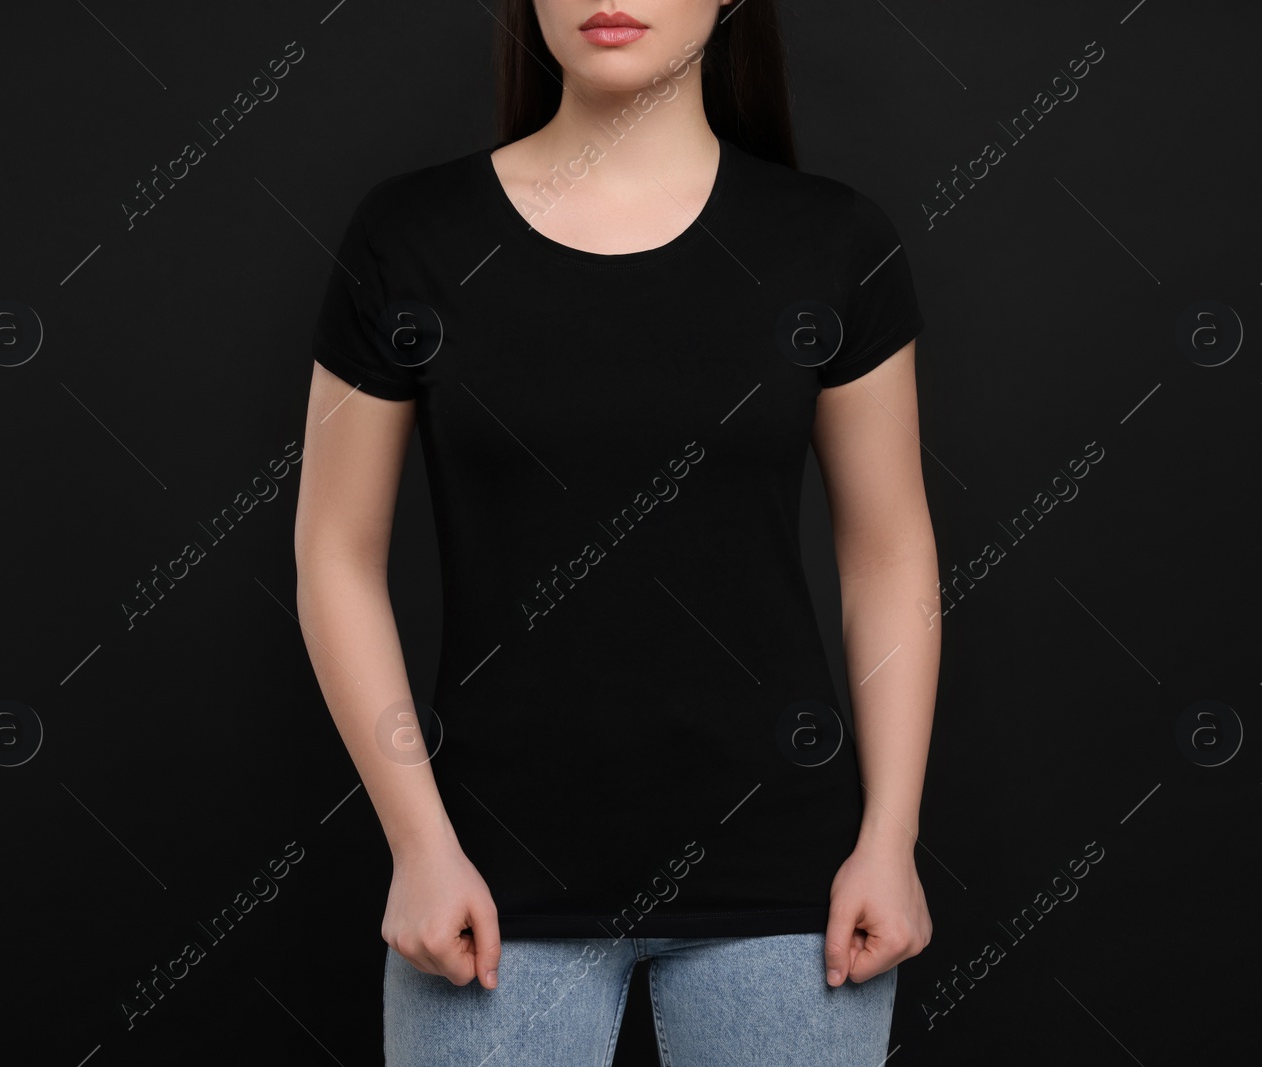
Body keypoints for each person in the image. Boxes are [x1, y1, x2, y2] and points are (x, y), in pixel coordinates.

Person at [292, 2, 939, 1062]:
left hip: (787, 889)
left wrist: (889, 837)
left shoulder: (831, 241)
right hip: (488, 887)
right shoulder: (410, 237)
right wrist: (418, 843)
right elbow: (334, 552)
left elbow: (889, 551)